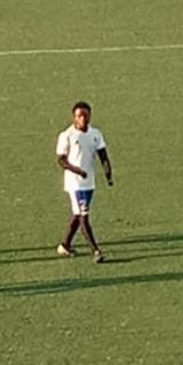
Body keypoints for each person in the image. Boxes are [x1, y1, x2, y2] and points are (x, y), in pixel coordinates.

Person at [55, 101, 113, 263]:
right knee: (83, 216)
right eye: (80, 116)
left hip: (89, 183)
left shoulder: (95, 134)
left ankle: (65, 245)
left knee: (77, 214)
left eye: (86, 115)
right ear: (74, 118)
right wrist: (77, 171)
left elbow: (103, 155)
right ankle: (96, 250)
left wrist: (108, 173)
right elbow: (61, 160)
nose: (83, 119)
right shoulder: (67, 135)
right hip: (75, 184)